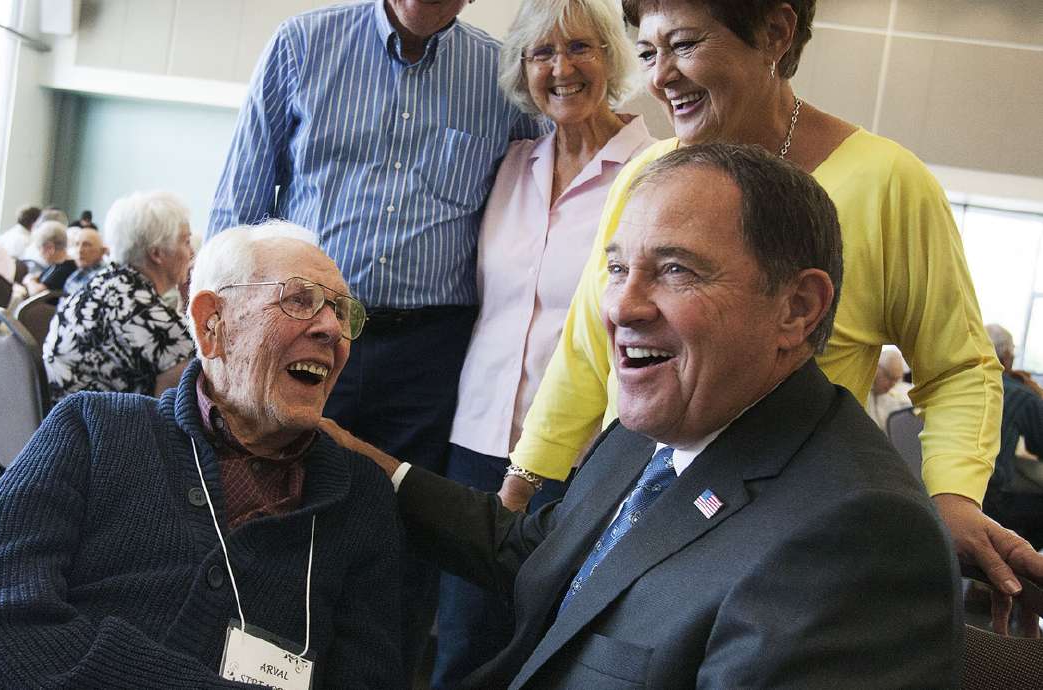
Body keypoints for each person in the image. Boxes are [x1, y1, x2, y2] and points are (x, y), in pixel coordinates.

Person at [332, 144, 963, 688]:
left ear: (797, 308)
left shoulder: (860, 539)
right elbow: (537, 553)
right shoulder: (652, 435)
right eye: (616, 269)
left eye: (674, 270)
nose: (621, 307)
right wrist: (346, 455)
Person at [500, 0, 1043, 598]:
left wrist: (954, 497)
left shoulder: (887, 183)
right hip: (632, 514)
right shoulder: (648, 175)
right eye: (650, 53)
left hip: (778, 538)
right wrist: (525, 478)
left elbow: (958, 367)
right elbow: (588, 348)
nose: (658, 77)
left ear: (776, 33)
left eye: (684, 45)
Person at [0, 222, 403, 688]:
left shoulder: (359, 499)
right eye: (300, 300)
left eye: (342, 312)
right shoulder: (92, 431)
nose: (332, 331)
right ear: (211, 324)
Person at [207, 0, 543, 672]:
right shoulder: (303, 45)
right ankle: (256, 673)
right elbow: (237, 204)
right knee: (278, 504)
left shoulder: (502, 74)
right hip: (302, 329)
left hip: (432, 350)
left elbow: (550, 183)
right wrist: (221, 337)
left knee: (403, 528)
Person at [435, 0, 653, 685]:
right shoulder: (511, 166)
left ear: (612, 59)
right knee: (461, 644)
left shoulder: (655, 173)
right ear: (522, 70)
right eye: (541, 53)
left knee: (550, 648)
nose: (561, 68)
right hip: (477, 444)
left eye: (581, 48)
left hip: (581, 455)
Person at [44, 191, 195, 401]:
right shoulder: (146, 313)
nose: (192, 253)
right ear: (157, 253)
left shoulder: (102, 285)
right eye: (186, 242)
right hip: (101, 428)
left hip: (65, 423)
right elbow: (176, 411)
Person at [983, 324, 1043, 548]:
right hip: (992, 501)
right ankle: (1020, 568)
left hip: (941, 493)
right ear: (1007, 357)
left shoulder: (957, 384)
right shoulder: (1020, 393)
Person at [21, 220, 76, 293]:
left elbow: (36, 292)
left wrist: (29, 281)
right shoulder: (56, 264)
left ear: (50, 248)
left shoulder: (65, 269)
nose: (40, 254)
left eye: (39, 248)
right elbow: (40, 276)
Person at [58, 226, 108, 306]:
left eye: (87, 245)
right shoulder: (75, 275)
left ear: (102, 251)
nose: (80, 250)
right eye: (77, 244)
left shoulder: (103, 278)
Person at [865, 346, 912, 431]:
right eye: (889, 377)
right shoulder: (862, 393)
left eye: (896, 380)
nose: (892, 385)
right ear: (877, 368)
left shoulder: (891, 396)